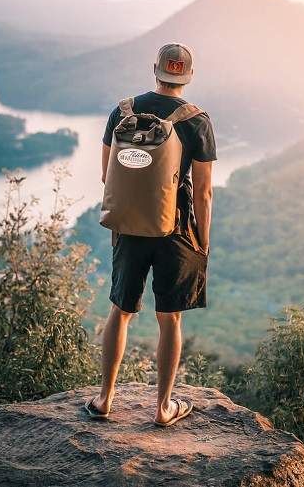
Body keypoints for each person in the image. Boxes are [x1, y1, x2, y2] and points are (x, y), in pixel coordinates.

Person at [85, 42, 216, 427]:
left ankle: (105, 399)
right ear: (188, 76)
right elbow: (205, 192)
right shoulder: (196, 120)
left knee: (120, 311)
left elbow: (108, 176)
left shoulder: (122, 111)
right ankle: (162, 409)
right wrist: (202, 241)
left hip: (128, 225)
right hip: (174, 229)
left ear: (154, 70)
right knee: (169, 319)